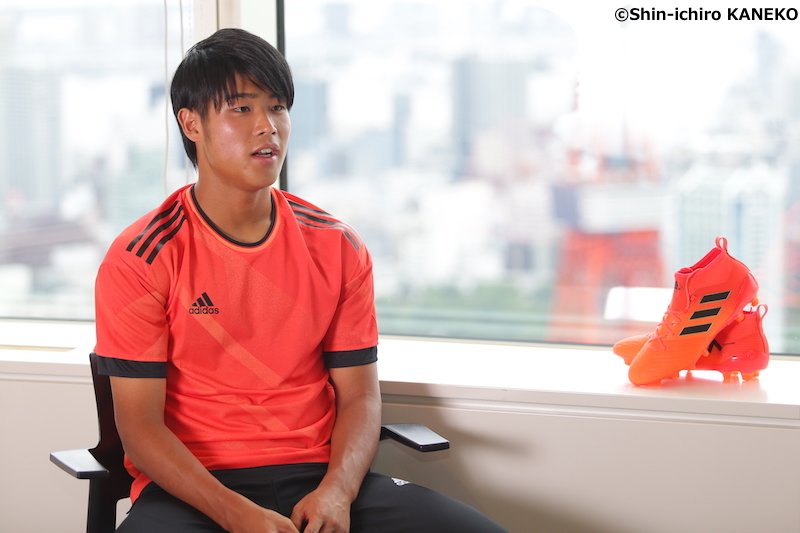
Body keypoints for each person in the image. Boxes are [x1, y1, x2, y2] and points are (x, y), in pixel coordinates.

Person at [94, 28, 509, 533]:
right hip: (193, 492)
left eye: (278, 108)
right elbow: (139, 427)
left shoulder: (336, 246)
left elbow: (360, 398)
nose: (267, 127)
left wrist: (338, 491)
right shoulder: (142, 257)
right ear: (192, 124)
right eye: (242, 109)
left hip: (317, 479)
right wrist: (237, 514)